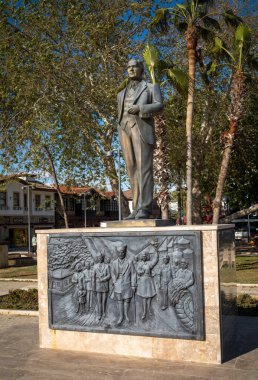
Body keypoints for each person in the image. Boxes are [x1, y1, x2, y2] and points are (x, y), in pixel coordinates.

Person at [117, 59, 164, 219]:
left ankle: (145, 207)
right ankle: (136, 209)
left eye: (134, 66)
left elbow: (159, 106)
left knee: (144, 168)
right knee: (131, 169)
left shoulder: (150, 88)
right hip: (124, 129)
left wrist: (141, 108)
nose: (131, 69)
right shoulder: (120, 94)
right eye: (128, 67)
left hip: (141, 128)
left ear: (141, 68)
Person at [110, 243, 137, 324]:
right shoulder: (114, 263)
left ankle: (126, 315)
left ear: (125, 252)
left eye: (122, 252)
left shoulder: (129, 262)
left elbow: (133, 273)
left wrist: (133, 285)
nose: (121, 254)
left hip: (127, 284)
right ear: (117, 253)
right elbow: (112, 273)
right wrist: (114, 281)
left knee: (127, 300)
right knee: (120, 301)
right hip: (118, 284)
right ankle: (121, 316)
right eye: (119, 252)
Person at [136, 250, 159, 319]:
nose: (144, 257)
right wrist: (141, 272)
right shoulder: (139, 264)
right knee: (144, 297)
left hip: (149, 280)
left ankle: (149, 309)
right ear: (141, 257)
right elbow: (137, 271)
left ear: (147, 256)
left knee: (149, 296)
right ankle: (144, 312)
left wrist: (156, 251)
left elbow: (155, 261)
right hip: (142, 281)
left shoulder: (149, 263)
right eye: (143, 256)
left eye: (145, 256)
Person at [93, 251, 110, 320]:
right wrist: (93, 287)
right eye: (99, 257)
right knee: (99, 301)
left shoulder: (107, 266)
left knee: (104, 301)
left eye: (101, 257)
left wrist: (104, 279)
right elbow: (93, 277)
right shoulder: (95, 266)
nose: (100, 258)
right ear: (97, 258)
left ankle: (104, 313)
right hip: (98, 286)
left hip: (105, 285)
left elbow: (109, 275)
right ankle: (99, 314)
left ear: (103, 258)